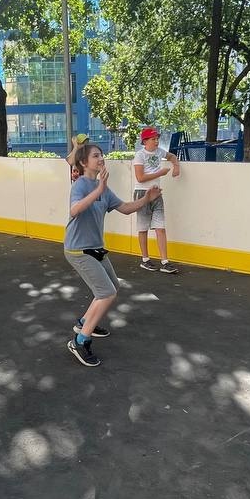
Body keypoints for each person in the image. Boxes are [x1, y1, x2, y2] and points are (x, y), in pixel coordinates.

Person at [64, 142, 162, 367]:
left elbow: (126, 207)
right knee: (106, 293)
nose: (101, 159)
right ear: (83, 162)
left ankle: (84, 322)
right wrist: (98, 189)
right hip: (78, 249)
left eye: (101, 155)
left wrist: (147, 199)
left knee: (112, 287)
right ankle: (80, 340)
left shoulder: (104, 189)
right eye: (96, 156)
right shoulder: (80, 185)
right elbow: (74, 210)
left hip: (95, 247)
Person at [132, 126, 181, 272]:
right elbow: (140, 177)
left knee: (160, 227)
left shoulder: (160, 152)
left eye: (157, 138)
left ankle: (165, 261)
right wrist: (160, 173)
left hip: (157, 194)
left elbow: (172, 156)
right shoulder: (140, 155)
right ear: (145, 141)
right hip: (142, 193)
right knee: (143, 227)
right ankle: (145, 259)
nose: (156, 141)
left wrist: (176, 166)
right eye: (153, 139)